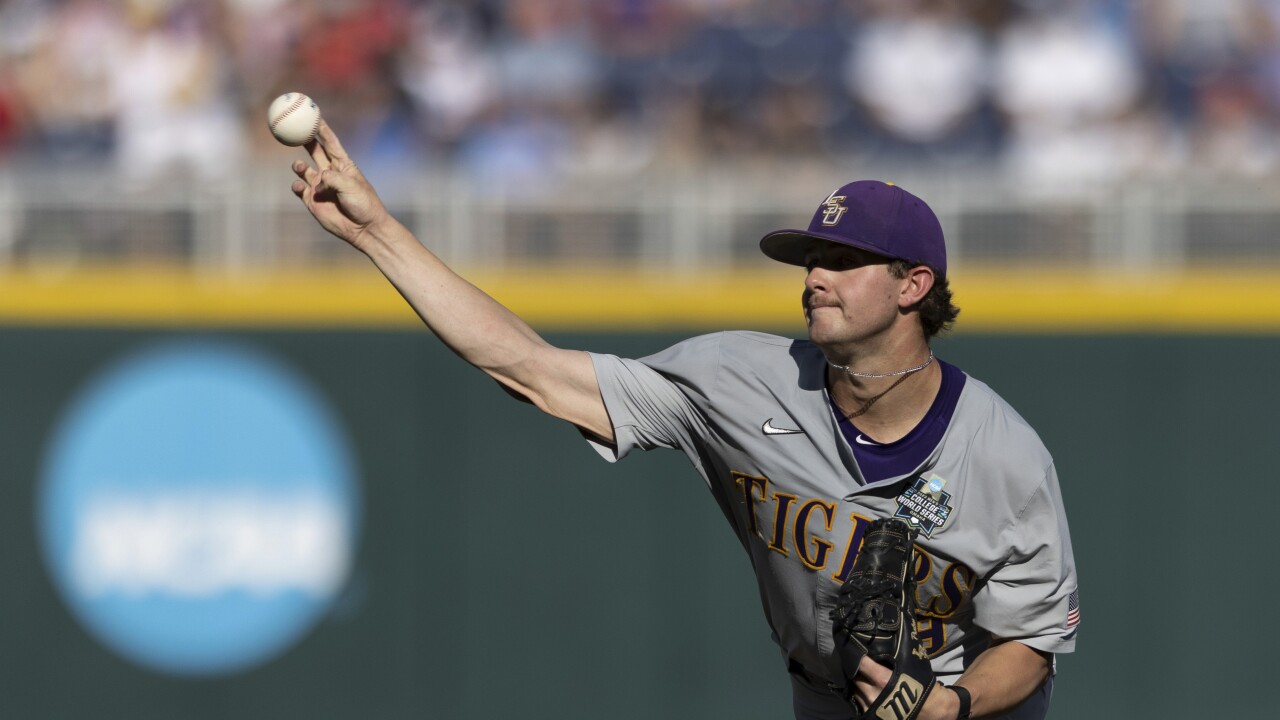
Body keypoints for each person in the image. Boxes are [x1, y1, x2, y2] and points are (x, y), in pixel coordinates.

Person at [289, 121, 1079, 720]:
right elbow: (528, 368)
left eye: (841, 262)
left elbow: (1034, 646)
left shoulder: (1003, 452)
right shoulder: (737, 380)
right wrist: (374, 233)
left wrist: (952, 704)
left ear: (913, 287)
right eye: (810, 260)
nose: (813, 278)